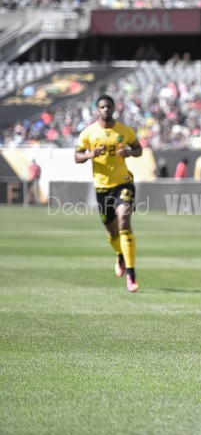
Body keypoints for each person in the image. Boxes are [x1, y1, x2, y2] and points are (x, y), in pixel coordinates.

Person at [74, 94, 143, 292]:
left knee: (124, 221)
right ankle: (120, 255)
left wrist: (129, 153)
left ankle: (131, 273)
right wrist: (89, 155)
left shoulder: (124, 131)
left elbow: (139, 149)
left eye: (109, 107)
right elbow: (77, 156)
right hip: (102, 188)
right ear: (97, 110)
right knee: (112, 232)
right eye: (102, 107)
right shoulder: (88, 134)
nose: (105, 110)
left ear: (114, 108)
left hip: (123, 183)